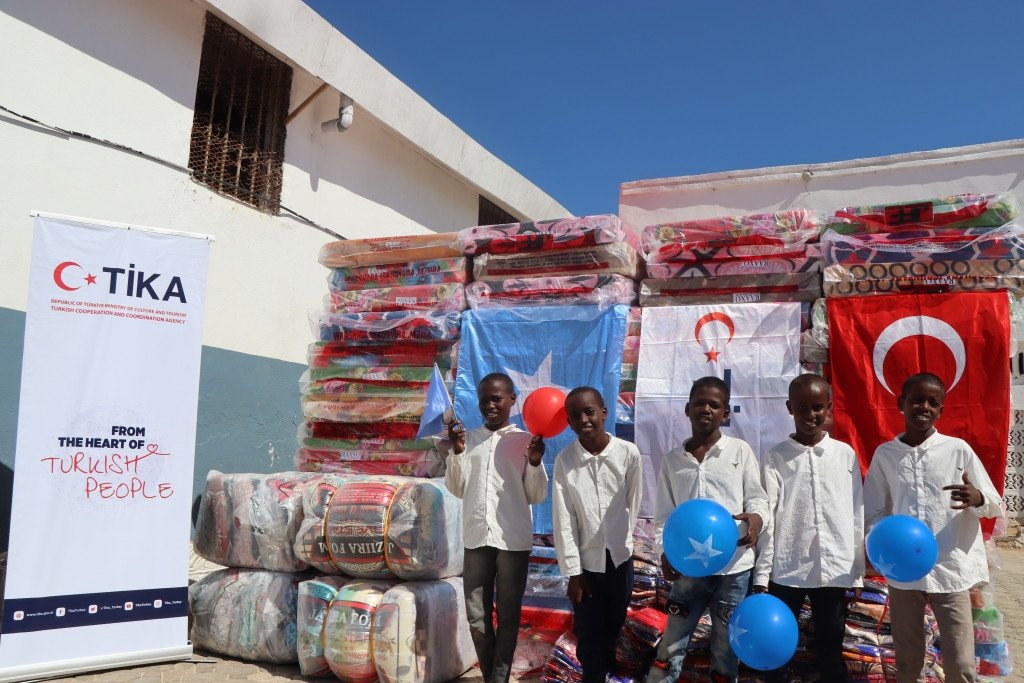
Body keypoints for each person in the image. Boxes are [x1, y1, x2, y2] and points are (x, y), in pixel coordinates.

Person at [864, 372, 1001, 683]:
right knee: (908, 660)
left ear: (941, 410)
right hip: (904, 572)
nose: (923, 407)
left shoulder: (958, 451)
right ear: (901, 404)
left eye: (933, 402)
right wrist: (882, 541)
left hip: (950, 568)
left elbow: (994, 502)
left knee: (960, 663)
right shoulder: (886, 456)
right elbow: (873, 510)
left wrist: (977, 497)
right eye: (916, 400)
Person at [647, 376, 768, 683]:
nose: (706, 409)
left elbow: (757, 497)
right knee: (672, 643)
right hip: (688, 570)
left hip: (734, 568)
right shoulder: (674, 460)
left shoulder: (739, 452)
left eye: (715, 405)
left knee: (726, 648)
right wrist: (663, 552)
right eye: (699, 403)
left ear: (725, 413)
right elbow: (663, 516)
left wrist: (756, 518)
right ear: (687, 409)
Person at [752, 374, 864, 683]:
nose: (810, 415)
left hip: (833, 571)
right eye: (802, 408)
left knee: (830, 648)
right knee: (776, 651)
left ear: (829, 408)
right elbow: (769, 517)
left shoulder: (845, 455)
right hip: (787, 570)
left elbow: (856, 512)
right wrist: (762, 576)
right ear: (790, 408)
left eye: (817, 408)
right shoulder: (776, 457)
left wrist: (856, 569)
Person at [444, 373, 547, 683]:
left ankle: (497, 678)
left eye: (496, 398)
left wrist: (534, 463)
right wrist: (458, 452)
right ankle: (493, 676)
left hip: (512, 538)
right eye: (484, 399)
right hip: (476, 537)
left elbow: (536, 494)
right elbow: (457, 488)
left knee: (508, 614)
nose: (490, 405)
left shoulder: (525, 441)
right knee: (476, 616)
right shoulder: (468, 439)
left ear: (512, 400)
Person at [552, 387, 643, 683]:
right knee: (589, 636)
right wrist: (574, 573)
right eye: (575, 416)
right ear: (568, 422)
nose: (584, 419)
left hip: (619, 561)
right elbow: (564, 519)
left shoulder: (628, 454)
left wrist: (625, 545)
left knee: (614, 630)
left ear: (604, 412)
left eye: (589, 411)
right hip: (586, 567)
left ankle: (608, 675)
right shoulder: (566, 462)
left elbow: (635, 501)